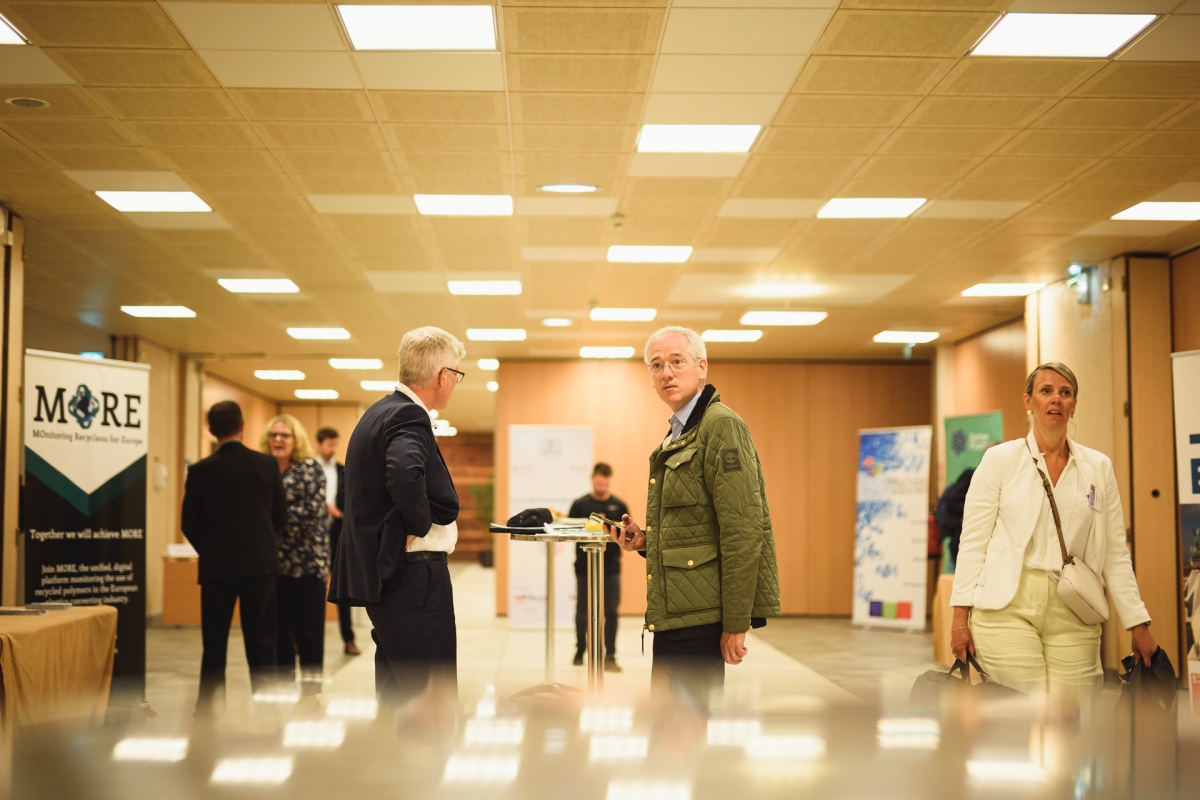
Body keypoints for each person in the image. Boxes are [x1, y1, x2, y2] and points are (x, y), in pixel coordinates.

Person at [951, 362, 1158, 700]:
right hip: (1008, 603)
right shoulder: (1000, 460)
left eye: (1065, 393)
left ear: (1074, 405)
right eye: (1046, 391)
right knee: (1021, 715)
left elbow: (1116, 553)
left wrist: (1138, 623)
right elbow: (972, 542)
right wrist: (960, 618)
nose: (1056, 400)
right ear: (1028, 401)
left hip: (1074, 604)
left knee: (1074, 717)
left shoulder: (1097, 468)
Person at [606, 326, 780, 706]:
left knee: (685, 736)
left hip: (701, 616)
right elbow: (695, 526)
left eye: (676, 362)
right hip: (677, 610)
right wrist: (645, 541)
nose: (666, 372)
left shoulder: (720, 426)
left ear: (702, 367)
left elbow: (743, 530)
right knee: (672, 733)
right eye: (656, 365)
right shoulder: (680, 432)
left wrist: (736, 622)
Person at [329, 326, 465, 704]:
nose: (456, 382)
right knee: (429, 699)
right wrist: (417, 524)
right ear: (443, 376)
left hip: (391, 577)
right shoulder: (409, 416)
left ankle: (393, 763)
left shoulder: (379, 411)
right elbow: (404, 474)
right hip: (414, 576)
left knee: (395, 696)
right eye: (457, 374)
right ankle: (426, 765)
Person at [181, 401, 286, 716]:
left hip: (217, 569)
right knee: (262, 644)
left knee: (214, 645)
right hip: (260, 566)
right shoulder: (267, 465)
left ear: (211, 431)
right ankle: (268, 710)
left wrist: (211, 549)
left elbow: (189, 523)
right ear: (242, 426)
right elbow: (280, 517)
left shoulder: (200, 471)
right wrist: (262, 544)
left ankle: (209, 710)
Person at [261, 414, 330, 693]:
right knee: (279, 635)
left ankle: (312, 694)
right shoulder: (263, 469)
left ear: (296, 440)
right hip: (273, 567)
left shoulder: (310, 469)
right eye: (273, 435)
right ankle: (284, 689)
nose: (278, 440)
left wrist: (266, 520)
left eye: (284, 435)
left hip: (308, 566)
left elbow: (312, 514)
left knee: (309, 634)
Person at [569, 463, 627, 672]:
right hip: (584, 566)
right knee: (583, 611)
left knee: (611, 611)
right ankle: (579, 650)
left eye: (606, 483)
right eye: (599, 482)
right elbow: (570, 533)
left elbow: (627, 535)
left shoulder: (619, 506)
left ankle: (610, 655)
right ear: (592, 479)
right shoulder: (580, 505)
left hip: (611, 568)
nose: (602, 486)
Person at [316, 426, 360, 656]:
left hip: (336, 534)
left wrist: (339, 513)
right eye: (329, 444)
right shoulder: (308, 469)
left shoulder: (343, 470)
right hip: (312, 537)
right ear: (318, 444)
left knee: (343, 588)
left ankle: (348, 639)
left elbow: (351, 502)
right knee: (311, 590)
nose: (332, 448)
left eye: (335, 444)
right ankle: (301, 639)